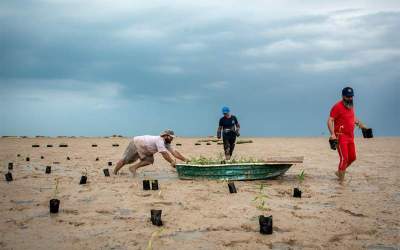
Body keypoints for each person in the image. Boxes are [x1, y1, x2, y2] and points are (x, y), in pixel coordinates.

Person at [327, 87, 368, 182]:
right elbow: (330, 120)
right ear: (343, 96)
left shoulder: (350, 106)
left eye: (351, 96)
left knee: (352, 158)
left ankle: (339, 172)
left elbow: (351, 118)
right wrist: (332, 134)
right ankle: (341, 185)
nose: (350, 98)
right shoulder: (337, 106)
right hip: (340, 136)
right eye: (348, 97)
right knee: (344, 158)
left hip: (350, 136)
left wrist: (360, 125)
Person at [113, 129, 188, 176]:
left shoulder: (167, 143)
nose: (172, 139)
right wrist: (172, 162)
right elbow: (164, 154)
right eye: (171, 137)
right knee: (125, 160)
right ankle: (114, 173)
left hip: (146, 149)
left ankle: (133, 168)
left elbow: (174, 152)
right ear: (166, 136)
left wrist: (185, 160)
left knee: (149, 160)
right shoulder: (160, 140)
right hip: (136, 143)